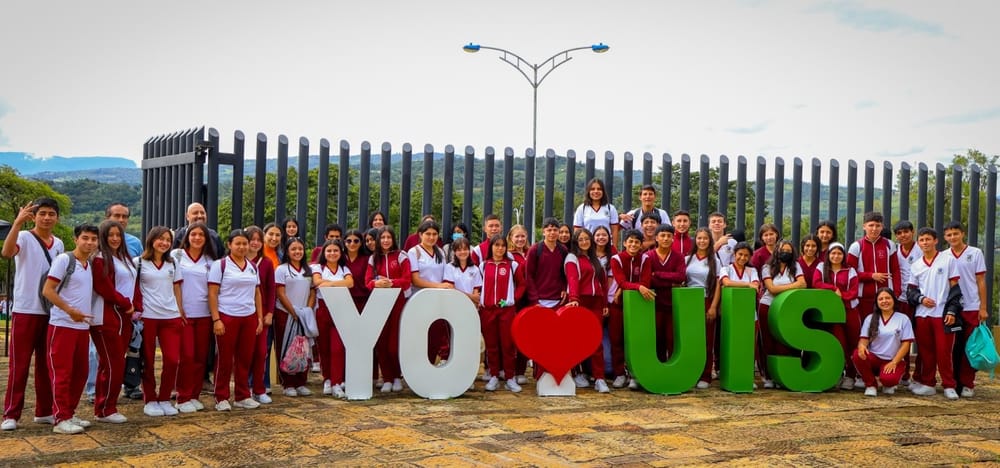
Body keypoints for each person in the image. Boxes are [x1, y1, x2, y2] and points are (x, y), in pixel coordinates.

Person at [2, 199, 63, 432]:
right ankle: (11, 414)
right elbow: (7, 253)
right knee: (19, 364)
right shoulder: (25, 237)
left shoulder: (57, 243)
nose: (47, 218)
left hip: (48, 311)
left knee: (46, 364)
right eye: (42, 214)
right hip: (25, 309)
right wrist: (17, 224)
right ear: (34, 217)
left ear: (57, 218)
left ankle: (44, 411)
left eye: (51, 214)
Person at [42, 224, 99, 434]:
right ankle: (60, 418)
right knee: (62, 373)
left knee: (80, 373)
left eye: (93, 239)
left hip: (81, 327)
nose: (90, 242)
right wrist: (69, 309)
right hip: (62, 325)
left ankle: (70, 412)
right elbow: (47, 290)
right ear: (76, 239)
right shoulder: (65, 260)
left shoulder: (90, 264)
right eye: (85, 238)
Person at [209, 229, 264, 411]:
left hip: (248, 316)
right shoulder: (221, 265)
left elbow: (257, 292)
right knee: (225, 358)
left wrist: (259, 318)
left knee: (245, 358)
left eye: (244, 243)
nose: (241, 247)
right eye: (237, 243)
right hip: (227, 315)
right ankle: (221, 397)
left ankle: (242, 395)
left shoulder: (252, 266)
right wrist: (216, 319)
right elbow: (213, 293)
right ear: (229, 245)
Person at [133, 226, 185, 418]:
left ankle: (164, 397)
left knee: (173, 360)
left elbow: (177, 288)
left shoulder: (173, 263)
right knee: (147, 360)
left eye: (167, 240)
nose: (164, 243)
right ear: (151, 240)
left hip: (170, 316)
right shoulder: (138, 262)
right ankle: (150, 399)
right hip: (148, 316)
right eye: (160, 239)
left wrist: (180, 311)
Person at [90, 220, 137, 423]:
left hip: (125, 316)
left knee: (111, 363)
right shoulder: (100, 258)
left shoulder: (125, 258)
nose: (115, 238)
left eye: (118, 234)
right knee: (113, 364)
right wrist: (125, 303)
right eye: (111, 235)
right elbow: (104, 287)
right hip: (107, 316)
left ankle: (103, 407)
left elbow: (134, 283)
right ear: (103, 237)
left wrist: (135, 306)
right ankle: (107, 408)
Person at [906, 227, 960, 399]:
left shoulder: (948, 260)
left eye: (928, 239)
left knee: (944, 352)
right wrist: (921, 299)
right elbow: (911, 292)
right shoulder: (916, 265)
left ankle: (949, 385)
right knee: (926, 351)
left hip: (942, 314)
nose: (925, 243)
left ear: (936, 241)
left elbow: (956, 289)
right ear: (918, 243)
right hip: (922, 315)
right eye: (921, 240)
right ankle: (928, 383)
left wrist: (952, 310)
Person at [172, 222, 217, 413]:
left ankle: (194, 395)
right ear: (187, 237)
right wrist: (178, 308)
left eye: (201, 235)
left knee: (200, 358)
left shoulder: (211, 261)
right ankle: (182, 397)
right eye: (193, 234)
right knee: (187, 356)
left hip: (204, 314)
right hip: (184, 314)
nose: (197, 238)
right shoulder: (177, 256)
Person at [943, 221, 988, 397]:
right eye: (949, 235)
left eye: (955, 233)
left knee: (970, 346)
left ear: (963, 234)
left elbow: (981, 281)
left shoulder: (975, 253)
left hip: (971, 306)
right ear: (945, 237)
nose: (952, 237)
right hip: (952, 307)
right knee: (953, 346)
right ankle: (953, 382)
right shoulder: (944, 256)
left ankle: (968, 383)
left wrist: (983, 307)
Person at [366, 226, 411, 393]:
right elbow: (367, 282)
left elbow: (407, 280)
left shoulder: (401, 256)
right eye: (382, 237)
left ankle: (396, 376)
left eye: (388, 237)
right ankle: (387, 378)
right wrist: (376, 284)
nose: (385, 240)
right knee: (382, 341)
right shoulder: (373, 259)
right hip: (379, 303)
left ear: (393, 239)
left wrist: (391, 282)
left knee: (394, 342)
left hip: (398, 301)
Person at [564, 228, 611, 393]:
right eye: (581, 239)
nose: (584, 242)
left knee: (596, 340)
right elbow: (572, 278)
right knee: (577, 339)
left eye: (587, 239)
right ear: (575, 242)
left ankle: (599, 379)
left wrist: (605, 304)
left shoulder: (594, 259)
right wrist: (574, 299)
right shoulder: (572, 258)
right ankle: (577, 373)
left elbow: (603, 284)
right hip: (580, 302)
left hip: (596, 303)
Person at [479, 234, 525, 392]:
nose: (499, 248)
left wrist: (512, 299)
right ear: (491, 247)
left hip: (507, 310)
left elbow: (521, 285)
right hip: (488, 310)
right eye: (496, 245)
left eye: (502, 245)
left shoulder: (512, 265)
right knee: (491, 345)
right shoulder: (483, 265)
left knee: (508, 344)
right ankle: (493, 376)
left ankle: (510, 377)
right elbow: (478, 286)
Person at [812, 243, 861, 390]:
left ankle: (851, 376)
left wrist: (841, 297)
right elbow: (816, 283)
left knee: (853, 342)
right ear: (828, 255)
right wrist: (834, 289)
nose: (836, 256)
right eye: (833, 253)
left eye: (839, 253)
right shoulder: (822, 267)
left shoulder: (850, 270)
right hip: (831, 313)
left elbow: (853, 292)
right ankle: (837, 374)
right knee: (838, 343)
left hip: (849, 310)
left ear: (843, 255)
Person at [609, 229, 654, 389]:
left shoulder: (645, 259)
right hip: (617, 304)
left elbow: (646, 281)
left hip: (638, 305)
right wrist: (637, 286)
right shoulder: (616, 259)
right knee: (617, 339)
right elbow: (621, 281)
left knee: (636, 339)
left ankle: (635, 374)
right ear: (624, 243)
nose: (633, 244)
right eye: (630, 241)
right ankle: (620, 374)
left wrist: (634, 286)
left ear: (641, 244)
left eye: (637, 242)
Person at [759, 240, 805, 388]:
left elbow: (803, 284)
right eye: (782, 249)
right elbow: (771, 289)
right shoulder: (767, 267)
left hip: (787, 309)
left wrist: (781, 287)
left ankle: (782, 376)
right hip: (768, 306)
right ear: (777, 251)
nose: (785, 252)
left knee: (784, 341)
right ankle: (768, 376)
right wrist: (793, 286)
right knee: (767, 342)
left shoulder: (796, 266)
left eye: (789, 250)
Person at [852, 288, 914, 396]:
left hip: (893, 360)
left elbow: (906, 344)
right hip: (874, 359)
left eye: (887, 298)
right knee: (857, 354)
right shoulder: (870, 318)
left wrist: (894, 362)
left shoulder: (903, 319)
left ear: (894, 300)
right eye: (881, 299)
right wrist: (862, 347)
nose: (884, 301)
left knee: (889, 381)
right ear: (877, 302)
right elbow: (864, 340)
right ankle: (871, 385)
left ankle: (887, 382)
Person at [312, 239, 354, 398]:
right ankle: (327, 379)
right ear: (324, 252)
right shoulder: (317, 267)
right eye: (329, 251)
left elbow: (350, 283)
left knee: (337, 348)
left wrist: (328, 283)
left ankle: (337, 382)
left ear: (340, 253)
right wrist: (337, 283)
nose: (332, 253)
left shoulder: (344, 268)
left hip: (340, 310)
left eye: (336, 251)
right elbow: (317, 282)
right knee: (323, 348)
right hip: (322, 310)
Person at [275, 237, 316, 397]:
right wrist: (293, 312)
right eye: (293, 249)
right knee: (286, 348)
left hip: (304, 314)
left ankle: (301, 382)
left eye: (300, 249)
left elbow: (313, 291)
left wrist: (307, 310)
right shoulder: (281, 269)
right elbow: (280, 293)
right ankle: (288, 383)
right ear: (287, 251)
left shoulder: (309, 270)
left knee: (303, 348)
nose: (297, 252)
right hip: (285, 314)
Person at [408, 220, 450, 365]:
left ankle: (430, 364)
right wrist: (438, 286)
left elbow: (445, 274)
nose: (431, 237)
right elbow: (415, 280)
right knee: (420, 335)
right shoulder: (414, 252)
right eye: (428, 234)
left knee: (436, 335)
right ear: (420, 234)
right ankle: (417, 366)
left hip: (438, 299)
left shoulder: (440, 252)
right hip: (420, 299)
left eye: (434, 234)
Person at [847, 211, 902, 321]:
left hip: (886, 297)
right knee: (866, 328)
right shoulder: (856, 246)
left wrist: (896, 292)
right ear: (864, 226)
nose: (874, 228)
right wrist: (871, 276)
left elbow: (895, 269)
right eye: (871, 225)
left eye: (878, 225)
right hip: (864, 297)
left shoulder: (889, 244)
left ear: (882, 227)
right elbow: (849, 273)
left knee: (886, 327)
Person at [685, 228, 722, 389]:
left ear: (710, 241)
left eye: (705, 238)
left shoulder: (715, 261)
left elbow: (719, 285)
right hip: (689, 302)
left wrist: (713, 306)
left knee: (707, 340)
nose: (702, 241)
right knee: (690, 339)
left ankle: (705, 375)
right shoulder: (688, 259)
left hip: (707, 300)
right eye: (699, 238)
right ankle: (690, 371)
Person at [720, 242, 760, 385]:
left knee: (749, 345)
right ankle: (731, 374)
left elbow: (756, 285)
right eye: (740, 254)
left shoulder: (752, 271)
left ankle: (747, 375)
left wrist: (750, 285)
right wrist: (747, 285)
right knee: (732, 344)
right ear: (734, 254)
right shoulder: (726, 269)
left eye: (746, 255)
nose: (742, 258)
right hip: (731, 314)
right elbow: (727, 282)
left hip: (749, 314)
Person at [645, 224, 686, 361]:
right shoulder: (648, 256)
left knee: (671, 338)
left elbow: (681, 277)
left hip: (672, 305)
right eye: (662, 235)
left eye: (669, 236)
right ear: (656, 238)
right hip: (653, 305)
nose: (666, 238)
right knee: (656, 338)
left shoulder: (678, 257)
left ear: (673, 238)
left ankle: (673, 369)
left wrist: (657, 274)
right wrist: (670, 281)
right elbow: (648, 280)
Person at [245, 226, 277, 403]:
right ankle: (245, 388)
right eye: (252, 239)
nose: (255, 243)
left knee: (261, 352)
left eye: (258, 239)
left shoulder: (266, 263)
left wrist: (270, 312)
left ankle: (259, 387)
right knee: (245, 353)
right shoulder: (237, 262)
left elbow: (271, 290)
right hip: (243, 312)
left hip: (263, 313)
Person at [892, 219, 920, 385]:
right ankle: (903, 374)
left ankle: (919, 376)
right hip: (899, 299)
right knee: (899, 337)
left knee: (919, 338)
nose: (903, 235)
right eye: (899, 233)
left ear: (913, 232)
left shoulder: (921, 249)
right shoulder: (895, 251)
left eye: (906, 232)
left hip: (917, 300)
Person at [573, 177, 620, 243]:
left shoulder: (610, 208)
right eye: (592, 189)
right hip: (588, 246)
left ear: (603, 191)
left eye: (599, 189)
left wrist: (614, 248)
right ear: (588, 191)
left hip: (606, 246)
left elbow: (614, 230)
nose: (596, 191)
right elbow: (577, 231)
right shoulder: (582, 208)